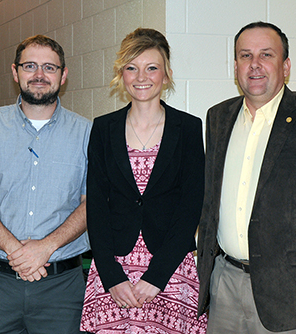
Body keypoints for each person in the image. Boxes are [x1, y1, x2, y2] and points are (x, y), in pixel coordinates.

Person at [197, 22, 296, 334]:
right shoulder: (218, 118)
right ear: (235, 66)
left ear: (286, 66)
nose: (254, 64)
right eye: (245, 55)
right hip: (224, 285)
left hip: (292, 295)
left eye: (266, 55)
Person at [0, 35, 91, 334]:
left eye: (49, 68)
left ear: (63, 75)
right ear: (15, 72)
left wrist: (45, 247)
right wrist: (17, 250)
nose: (39, 75)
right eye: (30, 66)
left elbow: (91, 203)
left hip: (61, 290)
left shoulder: (87, 133)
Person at [79, 28, 208, 334]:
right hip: (115, 270)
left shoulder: (189, 128)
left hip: (170, 270)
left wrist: (156, 276)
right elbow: (96, 205)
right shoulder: (103, 128)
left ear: (167, 75)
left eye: (152, 67)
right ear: (121, 74)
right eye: (131, 68)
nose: (141, 77)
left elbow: (191, 206)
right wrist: (111, 277)